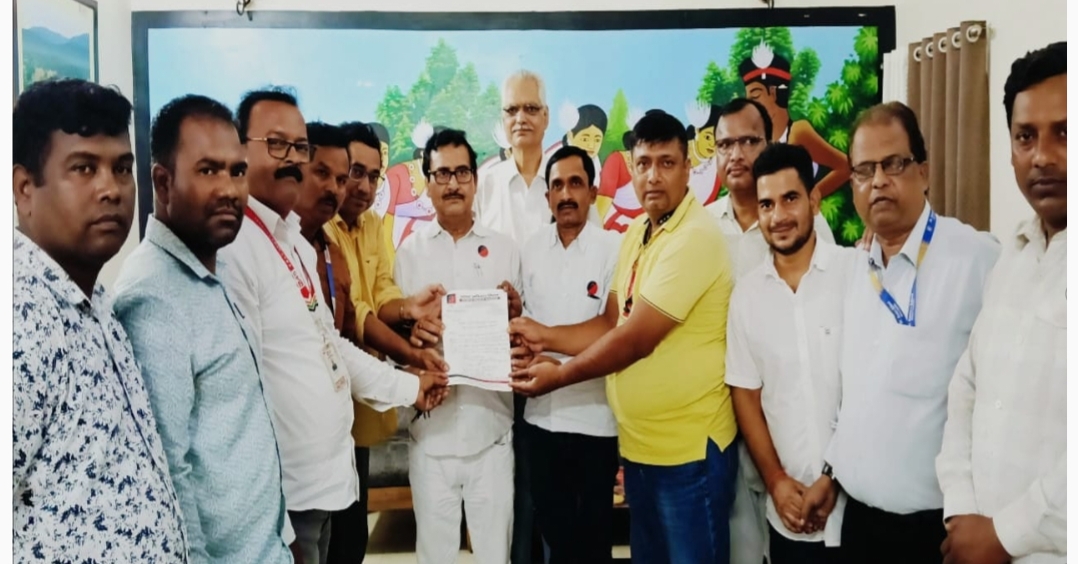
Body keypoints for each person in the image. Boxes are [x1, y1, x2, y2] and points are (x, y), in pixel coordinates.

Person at [218, 87, 448, 564]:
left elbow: (333, 346)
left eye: (299, 148)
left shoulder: (296, 244)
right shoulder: (233, 248)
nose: (292, 160)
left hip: (326, 481)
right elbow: (242, 395)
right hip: (286, 498)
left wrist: (411, 386)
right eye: (276, 144)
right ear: (240, 149)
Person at [510, 110, 738, 563]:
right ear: (630, 168)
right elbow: (611, 321)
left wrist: (559, 374)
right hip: (640, 447)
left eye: (666, 163)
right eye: (644, 163)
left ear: (687, 167)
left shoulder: (694, 237)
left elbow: (634, 339)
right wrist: (530, 330)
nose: (653, 176)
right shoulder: (636, 233)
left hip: (689, 452)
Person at [112, 94, 294, 563]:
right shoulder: (152, 297)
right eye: (209, 170)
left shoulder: (219, 268)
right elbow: (167, 474)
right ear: (163, 182)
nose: (230, 189)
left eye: (237, 171)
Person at [12, 78, 187, 562]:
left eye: (122, 168)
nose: (111, 189)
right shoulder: (21, 317)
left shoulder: (95, 304)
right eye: (84, 168)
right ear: (25, 189)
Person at [820, 102, 1000, 564]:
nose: (878, 181)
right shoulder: (856, 269)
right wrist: (831, 471)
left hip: (934, 532)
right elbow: (856, 396)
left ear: (924, 172)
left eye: (893, 164)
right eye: (864, 170)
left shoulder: (978, 260)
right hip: (859, 524)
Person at [936, 41, 1067, 564]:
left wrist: (1002, 535)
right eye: (1025, 136)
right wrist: (961, 511)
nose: (1043, 156)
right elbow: (967, 387)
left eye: (1065, 132)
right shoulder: (1011, 254)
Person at [393, 129, 522, 564]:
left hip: (491, 432)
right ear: (427, 182)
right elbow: (395, 343)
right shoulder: (407, 254)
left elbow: (523, 331)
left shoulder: (505, 250)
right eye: (442, 174)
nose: (453, 184)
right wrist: (412, 334)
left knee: (495, 555)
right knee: (435, 556)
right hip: (431, 436)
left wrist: (515, 312)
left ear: (475, 180)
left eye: (462, 172)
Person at [725, 143, 857, 564]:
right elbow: (746, 396)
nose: (778, 215)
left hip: (860, 508)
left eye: (790, 199)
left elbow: (873, 387)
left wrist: (834, 476)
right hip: (789, 514)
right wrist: (776, 480)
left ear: (814, 200)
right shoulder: (746, 298)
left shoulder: (855, 274)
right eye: (766, 204)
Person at [325, 121, 449, 564]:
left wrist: (408, 309)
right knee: (330, 535)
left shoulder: (374, 224)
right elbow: (354, 314)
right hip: (328, 400)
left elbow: (381, 292)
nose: (364, 186)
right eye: (355, 172)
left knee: (352, 535)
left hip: (363, 402)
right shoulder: (320, 229)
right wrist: (412, 356)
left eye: (374, 175)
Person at [517, 145, 621, 563]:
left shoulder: (614, 248)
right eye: (557, 185)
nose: (565, 194)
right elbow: (522, 323)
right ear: (547, 197)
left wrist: (543, 337)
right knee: (555, 541)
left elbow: (609, 329)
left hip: (596, 422)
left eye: (575, 183)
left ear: (592, 192)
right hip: (539, 420)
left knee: (593, 543)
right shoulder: (529, 249)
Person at [709, 98, 836, 279]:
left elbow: (830, 282)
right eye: (725, 144)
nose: (735, 155)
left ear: (769, 145)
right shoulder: (703, 223)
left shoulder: (803, 220)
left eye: (749, 141)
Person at [476, 69, 600, 246]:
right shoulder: (484, 187)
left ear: (546, 116)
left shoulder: (574, 182)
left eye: (531, 109)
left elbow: (596, 248)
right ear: (503, 119)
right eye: (512, 110)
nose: (520, 119)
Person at [740, 41, 850, 198]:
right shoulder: (758, 142)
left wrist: (809, 198)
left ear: (774, 93)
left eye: (755, 96)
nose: (751, 105)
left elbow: (844, 166)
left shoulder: (798, 132)